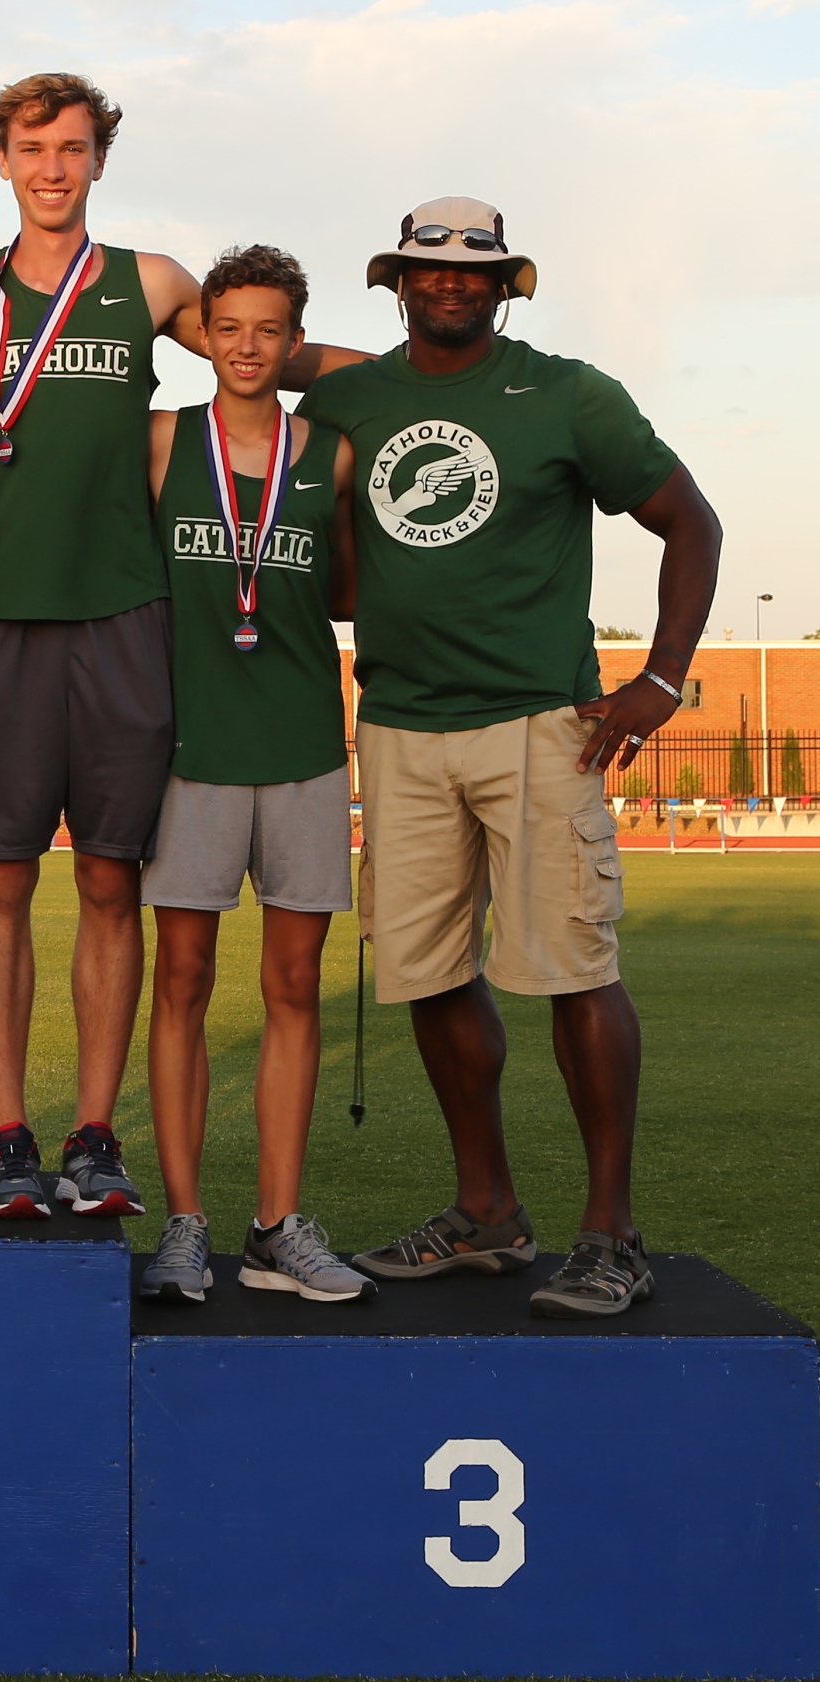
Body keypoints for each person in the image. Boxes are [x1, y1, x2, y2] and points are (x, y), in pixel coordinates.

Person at [0, 73, 361, 1218]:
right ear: (2, 161)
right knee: (3, 881)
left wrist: (402, 378)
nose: (54, 166)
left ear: (99, 160)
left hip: (124, 621)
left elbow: (260, 351)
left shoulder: (152, 283)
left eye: (73, 147)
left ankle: (95, 1134)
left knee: (112, 882)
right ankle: (10, 1131)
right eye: (32, 147)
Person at [296, 197, 722, 1317]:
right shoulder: (348, 399)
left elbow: (693, 522)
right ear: (395, 279)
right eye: (429, 269)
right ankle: (486, 1211)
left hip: (543, 721)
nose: (450, 284)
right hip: (398, 725)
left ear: (503, 283)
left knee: (573, 967)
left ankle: (610, 1231)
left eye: (473, 269)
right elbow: (247, 343)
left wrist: (664, 676)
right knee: (428, 972)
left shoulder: (569, 391)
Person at [132, 245, 372, 1305]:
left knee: (292, 989)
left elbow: (352, 587)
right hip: (188, 752)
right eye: (227, 327)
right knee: (180, 982)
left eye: (269, 330)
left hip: (307, 747)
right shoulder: (159, 441)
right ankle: (185, 1222)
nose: (245, 346)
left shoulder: (337, 451)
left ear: (293, 341)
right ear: (203, 333)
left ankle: (277, 1222)